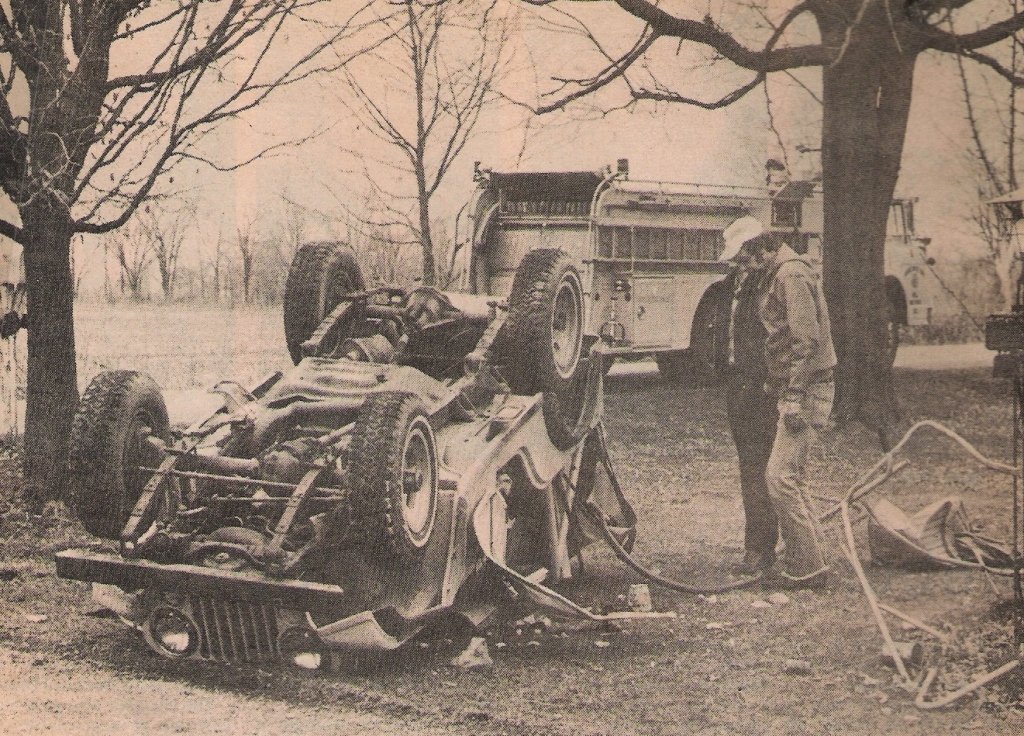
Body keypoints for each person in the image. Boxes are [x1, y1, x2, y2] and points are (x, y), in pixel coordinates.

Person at [756, 232, 837, 590]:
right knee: (793, 478)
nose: (744, 266)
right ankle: (810, 562)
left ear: (763, 249)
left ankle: (806, 567)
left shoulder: (790, 274)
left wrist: (793, 394)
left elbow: (806, 340)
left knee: (780, 479)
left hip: (806, 389)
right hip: (800, 386)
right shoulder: (783, 272)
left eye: (746, 257)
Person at [717, 216, 778, 576]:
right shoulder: (732, 286)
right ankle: (756, 544)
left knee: (762, 469)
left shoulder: (770, 285)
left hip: (761, 387)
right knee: (749, 468)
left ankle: (762, 548)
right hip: (738, 385)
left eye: (742, 259)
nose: (738, 267)